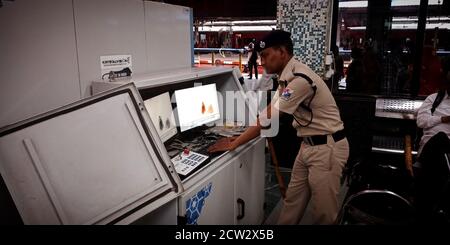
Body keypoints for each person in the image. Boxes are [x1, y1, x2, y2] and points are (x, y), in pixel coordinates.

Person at [208, 30, 349, 224]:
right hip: (308, 145)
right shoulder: (285, 78)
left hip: (327, 148)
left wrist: (235, 143)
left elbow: (269, 118)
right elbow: (269, 110)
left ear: (282, 52)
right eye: (260, 57)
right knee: (292, 202)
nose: (262, 62)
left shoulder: (300, 80)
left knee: (323, 213)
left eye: (265, 56)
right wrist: (238, 135)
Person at [415, 56, 450, 222]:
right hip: (430, 149)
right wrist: (443, 119)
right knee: (440, 139)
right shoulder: (433, 99)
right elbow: (421, 122)